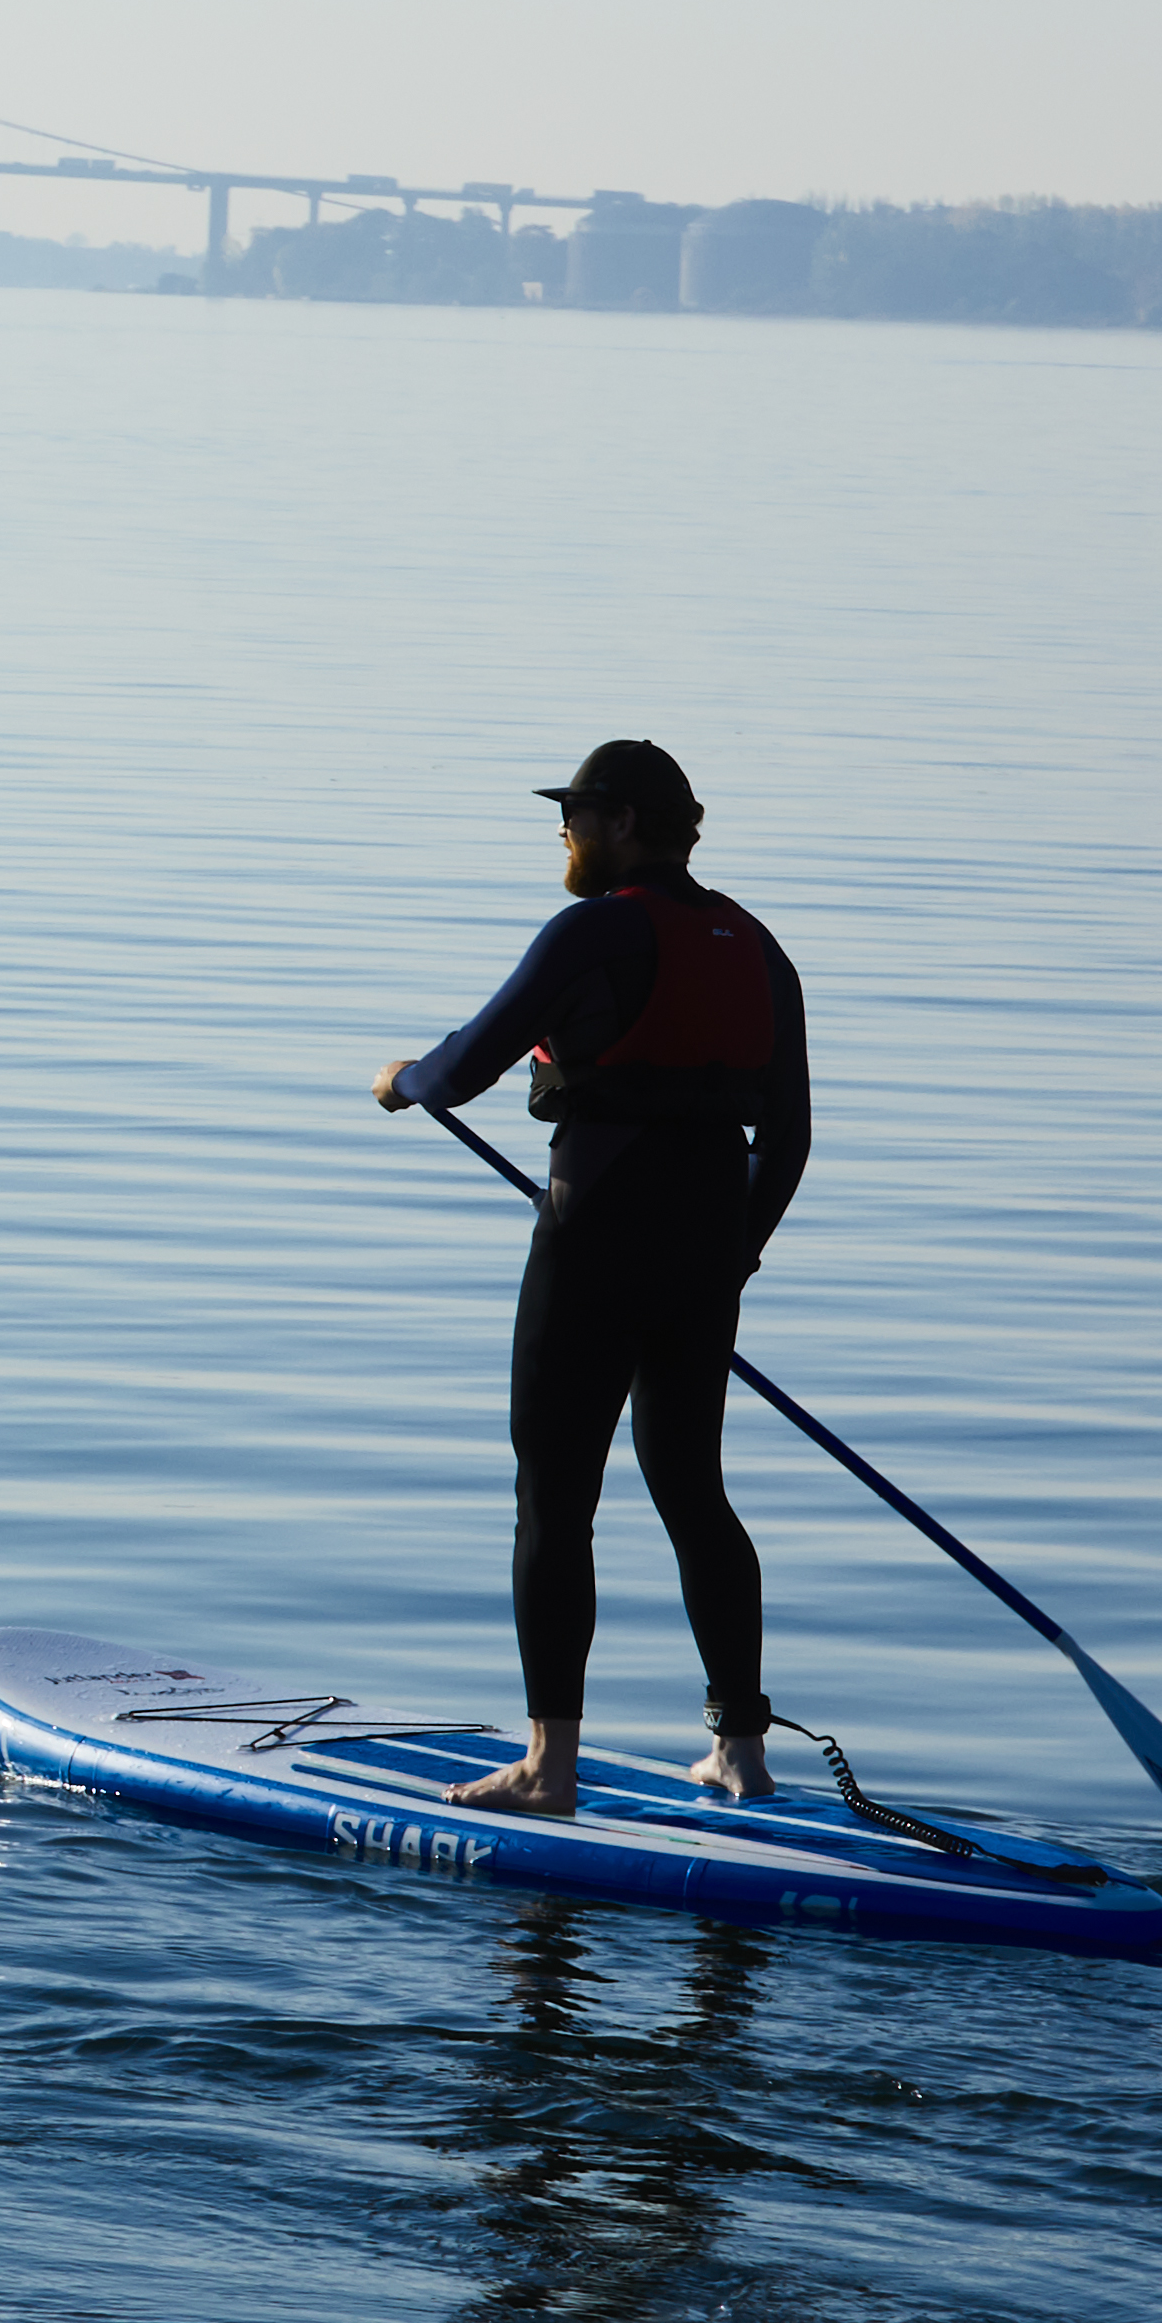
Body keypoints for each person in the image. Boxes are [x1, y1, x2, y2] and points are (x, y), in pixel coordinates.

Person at [371, 738, 814, 1816]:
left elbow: (463, 1069)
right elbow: (790, 1137)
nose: (560, 832)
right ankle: (741, 1757)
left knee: (554, 1500)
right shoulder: (758, 947)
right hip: (707, 1251)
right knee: (692, 1491)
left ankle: (546, 1767)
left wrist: (399, 1081)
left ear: (619, 823)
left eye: (571, 813)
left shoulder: (592, 928)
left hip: (594, 1243)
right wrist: (732, 1258)